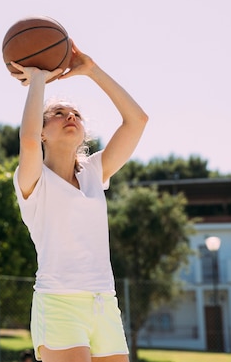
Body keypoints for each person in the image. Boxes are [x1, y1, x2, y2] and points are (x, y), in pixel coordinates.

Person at [10, 41, 148, 362]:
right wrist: (38, 80)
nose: (69, 116)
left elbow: (137, 120)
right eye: (58, 114)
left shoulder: (94, 171)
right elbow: (27, 139)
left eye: (75, 114)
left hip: (104, 301)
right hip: (59, 303)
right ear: (44, 132)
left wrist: (91, 70)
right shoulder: (34, 179)